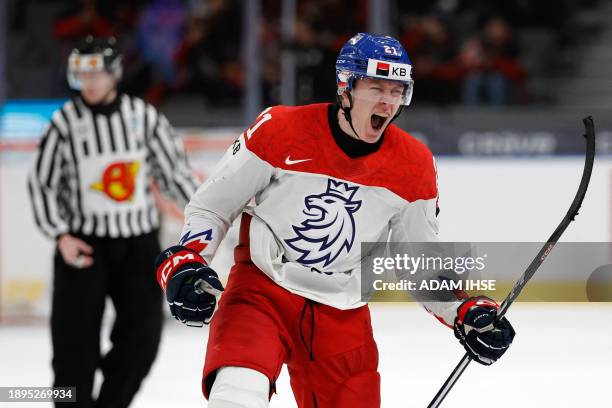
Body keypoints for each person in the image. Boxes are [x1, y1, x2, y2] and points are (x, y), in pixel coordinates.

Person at [155, 33, 515, 407]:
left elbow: (420, 264)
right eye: (376, 87)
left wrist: (464, 311)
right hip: (261, 292)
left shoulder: (414, 165)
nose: (387, 101)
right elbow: (213, 206)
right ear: (346, 86)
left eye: (396, 91)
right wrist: (188, 261)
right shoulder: (280, 129)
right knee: (237, 395)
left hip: (342, 314)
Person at [28, 36, 198, 408]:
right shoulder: (63, 124)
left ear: (115, 73)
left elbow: (175, 174)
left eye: (97, 74)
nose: (89, 83)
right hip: (84, 245)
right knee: (73, 348)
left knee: (143, 338)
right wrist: (61, 235)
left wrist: (207, 214)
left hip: (137, 244)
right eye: (81, 75)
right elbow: (41, 184)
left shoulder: (143, 117)